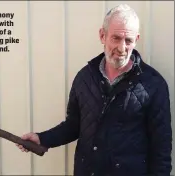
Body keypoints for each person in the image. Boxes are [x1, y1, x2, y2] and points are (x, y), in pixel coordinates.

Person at [16, 4, 172, 176]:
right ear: (102, 36)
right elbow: (74, 125)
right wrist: (42, 138)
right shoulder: (85, 77)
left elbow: (161, 150)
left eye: (128, 40)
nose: (122, 48)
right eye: (116, 38)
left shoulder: (154, 85)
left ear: (137, 39)